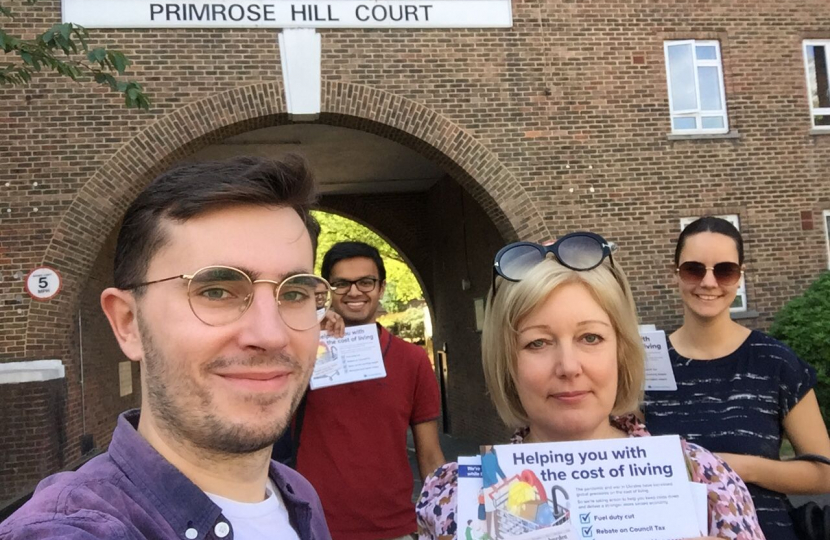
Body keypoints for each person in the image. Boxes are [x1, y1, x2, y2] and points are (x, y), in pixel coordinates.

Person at [0, 156, 334, 540]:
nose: (271, 334)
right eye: (216, 291)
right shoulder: (73, 529)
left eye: (294, 292)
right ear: (128, 323)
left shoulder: (299, 496)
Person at [416, 232, 766, 540]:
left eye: (591, 337)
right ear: (507, 362)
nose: (568, 366)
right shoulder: (456, 495)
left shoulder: (705, 479)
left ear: (622, 349)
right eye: (537, 343)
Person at [642, 216, 830, 540]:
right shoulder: (647, 365)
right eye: (694, 269)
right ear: (674, 275)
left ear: (740, 276)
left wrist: (734, 467)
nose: (709, 282)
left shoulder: (775, 363)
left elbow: (824, 472)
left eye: (725, 270)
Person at [295, 241, 446, 540]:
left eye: (365, 282)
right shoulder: (300, 352)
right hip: (313, 527)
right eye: (341, 283)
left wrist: (446, 519)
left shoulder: (412, 360)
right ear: (325, 290)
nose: (354, 292)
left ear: (381, 287)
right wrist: (307, 332)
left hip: (396, 529)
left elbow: (430, 455)